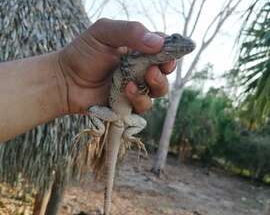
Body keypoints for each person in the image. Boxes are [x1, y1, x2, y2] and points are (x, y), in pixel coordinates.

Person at [0, 19, 176, 143]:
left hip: (121, 117)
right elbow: (125, 68)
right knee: (100, 111)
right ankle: (100, 130)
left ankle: (126, 136)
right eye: (174, 40)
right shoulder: (137, 57)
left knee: (141, 121)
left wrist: (64, 80)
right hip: (115, 112)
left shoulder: (144, 65)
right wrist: (64, 79)